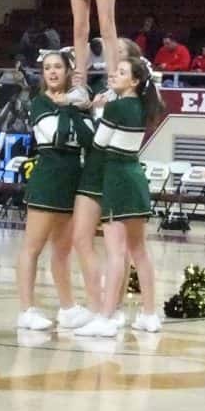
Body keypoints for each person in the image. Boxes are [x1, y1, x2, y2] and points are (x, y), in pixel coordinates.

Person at [74, 57, 166, 337]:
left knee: (116, 252)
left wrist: (97, 111)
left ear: (134, 81)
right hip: (135, 178)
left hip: (117, 179)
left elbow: (98, 143)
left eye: (122, 72)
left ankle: (105, 317)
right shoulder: (142, 106)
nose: (114, 74)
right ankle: (149, 315)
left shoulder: (117, 106)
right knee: (139, 251)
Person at [16, 51, 93, 331]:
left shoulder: (78, 104)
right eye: (47, 67)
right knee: (33, 247)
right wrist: (70, 108)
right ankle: (26, 310)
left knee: (62, 250)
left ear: (67, 71)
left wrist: (73, 106)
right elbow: (57, 137)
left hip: (73, 181)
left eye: (57, 66)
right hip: (48, 179)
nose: (52, 72)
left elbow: (89, 139)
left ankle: (68, 307)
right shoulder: (40, 103)